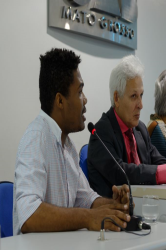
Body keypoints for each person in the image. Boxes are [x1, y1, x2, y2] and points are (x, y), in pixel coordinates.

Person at [13, 48, 131, 236]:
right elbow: (28, 214)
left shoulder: (67, 144)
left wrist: (112, 206)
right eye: (80, 92)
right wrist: (87, 217)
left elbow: (85, 199)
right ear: (60, 101)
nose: (85, 99)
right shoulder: (36, 138)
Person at [88, 55, 166, 198]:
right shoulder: (101, 132)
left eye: (141, 95)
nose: (141, 105)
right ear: (117, 98)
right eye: (134, 96)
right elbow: (122, 172)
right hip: (115, 214)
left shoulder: (139, 129)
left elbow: (161, 163)